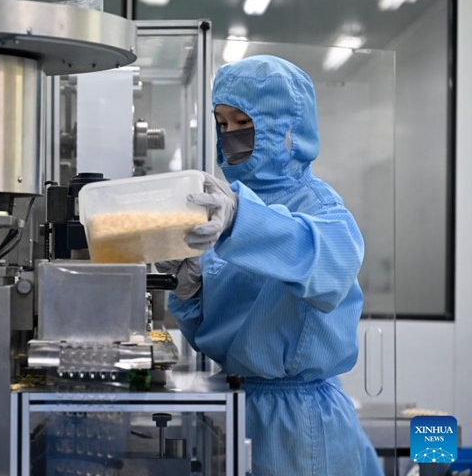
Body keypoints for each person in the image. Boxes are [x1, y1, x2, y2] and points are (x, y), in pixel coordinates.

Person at [156, 55, 384, 475]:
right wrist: (189, 292)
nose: (230, 135)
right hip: (238, 406)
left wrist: (241, 221)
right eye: (222, 124)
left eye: (243, 122)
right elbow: (218, 330)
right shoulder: (227, 206)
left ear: (286, 128)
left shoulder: (319, 207)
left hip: (298, 422)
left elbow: (326, 265)